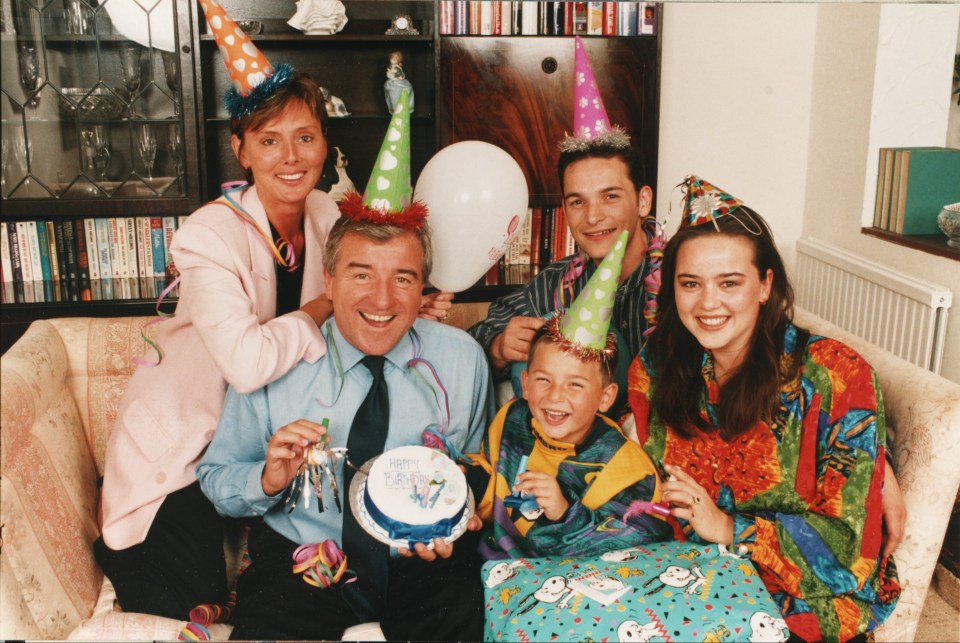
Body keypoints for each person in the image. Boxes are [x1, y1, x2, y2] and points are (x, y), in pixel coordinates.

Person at [93, 7, 446, 618]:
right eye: (269, 139)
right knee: (189, 607)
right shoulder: (207, 234)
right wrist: (324, 303)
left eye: (305, 137)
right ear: (241, 149)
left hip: (274, 436)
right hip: (188, 443)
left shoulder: (329, 216)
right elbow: (250, 362)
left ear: (323, 145)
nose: (291, 156)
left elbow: (373, 296)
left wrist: (418, 305)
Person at [197, 89, 493, 641]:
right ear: (328, 281)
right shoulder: (277, 359)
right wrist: (268, 476)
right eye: (361, 274)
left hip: (422, 560)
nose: (382, 300)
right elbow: (216, 481)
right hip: (300, 558)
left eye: (402, 278)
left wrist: (465, 507)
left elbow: (475, 463)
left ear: (422, 283)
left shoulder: (461, 360)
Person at [626, 176, 900, 642]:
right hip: (687, 587)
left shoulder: (836, 375)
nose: (708, 303)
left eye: (729, 283)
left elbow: (849, 551)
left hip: (804, 605)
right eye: (690, 283)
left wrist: (731, 527)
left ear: (765, 284)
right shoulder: (654, 368)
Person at [467, 37, 659, 417]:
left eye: (610, 196)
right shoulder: (554, 284)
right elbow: (480, 335)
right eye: (577, 201)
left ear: (643, 201)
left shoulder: (683, 280)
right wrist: (500, 346)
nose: (592, 217)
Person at [475, 231, 672, 560]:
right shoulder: (512, 418)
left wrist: (565, 513)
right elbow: (490, 476)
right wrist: (459, 485)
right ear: (525, 383)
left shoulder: (626, 469)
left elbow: (640, 544)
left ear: (605, 397)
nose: (555, 396)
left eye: (575, 385)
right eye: (543, 380)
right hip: (494, 572)